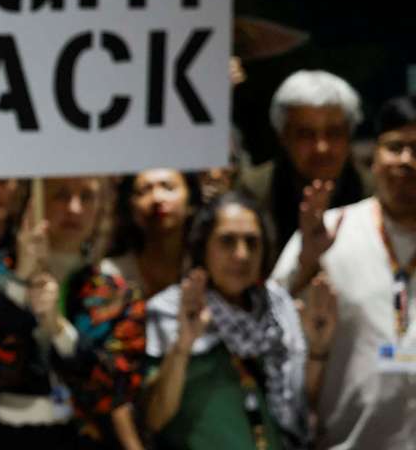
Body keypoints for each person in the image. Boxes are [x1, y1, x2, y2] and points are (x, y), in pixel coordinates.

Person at [0, 176, 146, 449]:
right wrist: (19, 284)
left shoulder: (115, 295)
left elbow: (114, 391)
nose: (74, 209)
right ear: (32, 201)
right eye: (61, 195)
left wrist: (59, 329)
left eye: (87, 197)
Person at [271, 94, 416, 448]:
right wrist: (307, 263)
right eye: (394, 147)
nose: (407, 160)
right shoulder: (332, 231)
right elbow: (268, 319)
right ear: (372, 158)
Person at [144, 193, 337, 450]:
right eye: (227, 241)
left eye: (252, 242)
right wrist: (183, 346)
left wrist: (318, 349)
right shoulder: (171, 310)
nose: (242, 254)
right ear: (203, 246)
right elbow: (154, 418)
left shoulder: (278, 307)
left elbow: (303, 401)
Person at [239, 70, 372, 250]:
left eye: (334, 133)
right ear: (283, 137)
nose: (321, 147)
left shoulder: (376, 194)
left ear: (350, 134)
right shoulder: (253, 193)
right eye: (306, 135)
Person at [106, 169, 201, 298]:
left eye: (168, 187)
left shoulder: (208, 268)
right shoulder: (110, 274)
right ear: (130, 207)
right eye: (144, 190)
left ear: (191, 200)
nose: (157, 198)